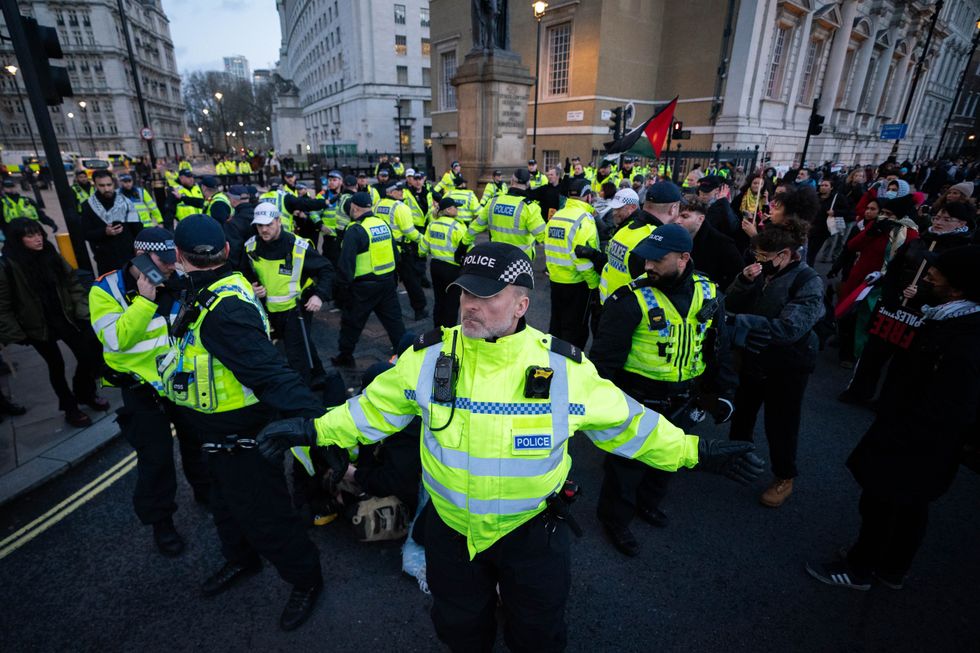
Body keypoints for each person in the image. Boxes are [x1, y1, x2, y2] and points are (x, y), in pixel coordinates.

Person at [255, 241, 762, 652]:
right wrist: (313, 430)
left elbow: (631, 425)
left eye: (487, 296)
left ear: (522, 306)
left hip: (532, 533)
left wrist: (696, 453)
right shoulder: (427, 359)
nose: (470, 306)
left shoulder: (564, 369)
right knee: (459, 629)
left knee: (538, 633)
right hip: (452, 533)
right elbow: (371, 412)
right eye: (464, 294)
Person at [159, 215, 324, 631]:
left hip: (244, 434)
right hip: (211, 429)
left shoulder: (226, 309)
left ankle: (306, 579)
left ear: (178, 255)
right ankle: (242, 559)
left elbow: (271, 374)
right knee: (224, 506)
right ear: (228, 251)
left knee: (268, 516)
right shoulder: (209, 286)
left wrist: (323, 425)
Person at [806, 245, 980, 591]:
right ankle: (891, 567)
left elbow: (949, 402)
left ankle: (859, 567)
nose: (928, 276)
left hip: (916, 439)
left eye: (937, 273)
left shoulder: (963, 340)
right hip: (916, 434)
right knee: (908, 505)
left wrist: (905, 431)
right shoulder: (949, 319)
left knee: (883, 501)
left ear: (958, 289)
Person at [591, 226, 737, 556]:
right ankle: (615, 520)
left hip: (685, 398)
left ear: (684, 258)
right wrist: (601, 409)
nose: (648, 266)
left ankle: (649, 503)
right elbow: (602, 363)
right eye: (646, 259)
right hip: (638, 399)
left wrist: (724, 392)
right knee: (626, 466)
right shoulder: (630, 300)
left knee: (668, 460)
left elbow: (719, 346)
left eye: (658, 260)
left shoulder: (709, 293)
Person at [88, 227, 209, 557]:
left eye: (174, 258)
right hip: (140, 387)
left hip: (179, 379)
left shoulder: (177, 278)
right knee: (156, 458)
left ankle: (204, 491)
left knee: (195, 442)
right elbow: (115, 340)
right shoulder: (106, 289)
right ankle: (161, 522)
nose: (171, 265)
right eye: (164, 259)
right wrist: (144, 301)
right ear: (140, 255)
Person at [726, 220, 825, 507]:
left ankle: (784, 476)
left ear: (784, 255)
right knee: (743, 412)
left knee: (781, 423)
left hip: (788, 365)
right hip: (753, 356)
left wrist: (740, 322)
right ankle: (736, 455)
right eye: (755, 255)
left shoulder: (808, 282)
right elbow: (731, 302)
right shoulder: (760, 272)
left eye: (764, 256)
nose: (758, 261)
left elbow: (790, 329)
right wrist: (743, 282)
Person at [840, 201, 972, 404]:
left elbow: (955, 288)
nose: (939, 222)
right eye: (937, 217)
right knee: (873, 353)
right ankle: (858, 391)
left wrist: (922, 294)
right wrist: (892, 295)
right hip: (894, 308)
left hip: (922, 315)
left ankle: (887, 402)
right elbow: (894, 268)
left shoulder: (962, 250)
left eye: (947, 219)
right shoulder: (918, 241)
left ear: (961, 223)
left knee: (904, 364)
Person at [0, 218, 108, 427]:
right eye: (30, 236)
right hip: (36, 325)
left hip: (63, 316)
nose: (38, 239)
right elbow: (3, 305)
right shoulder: (8, 265)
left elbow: (72, 282)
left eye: (39, 233)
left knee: (88, 354)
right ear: (18, 239)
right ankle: (70, 408)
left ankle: (85, 393)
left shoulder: (50, 253)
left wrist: (81, 309)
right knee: (56, 365)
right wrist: (16, 333)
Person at [243, 202, 333, 388]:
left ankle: (303, 395)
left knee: (295, 355)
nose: (264, 229)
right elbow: (244, 272)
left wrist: (319, 295)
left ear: (278, 221)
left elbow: (327, 269)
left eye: (268, 224)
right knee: (301, 344)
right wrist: (251, 286)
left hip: (296, 309)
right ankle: (319, 375)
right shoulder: (251, 246)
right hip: (268, 310)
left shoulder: (298, 247)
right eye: (260, 225)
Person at [331, 192, 406, 367]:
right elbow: (395, 254)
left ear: (355, 208)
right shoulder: (382, 223)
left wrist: (341, 290)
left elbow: (346, 264)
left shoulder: (355, 230)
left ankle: (345, 356)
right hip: (386, 283)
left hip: (363, 288)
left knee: (352, 323)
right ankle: (404, 354)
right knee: (394, 322)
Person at [597, 181, 679, 304]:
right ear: (673, 209)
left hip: (610, 302)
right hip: (632, 309)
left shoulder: (625, 229)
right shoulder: (655, 239)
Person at [545, 178, 601, 349]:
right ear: (588, 197)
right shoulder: (585, 219)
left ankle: (553, 361)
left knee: (556, 326)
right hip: (577, 284)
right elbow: (582, 259)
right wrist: (594, 284)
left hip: (556, 280)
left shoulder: (557, 216)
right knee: (575, 331)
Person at [375, 180, 428, 321]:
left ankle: (388, 310)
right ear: (391, 192)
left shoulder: (378, 204)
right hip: (402, 251)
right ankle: (419, 310)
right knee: (411, 281)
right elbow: (409, 232)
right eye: (399, 190)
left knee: (389, 283)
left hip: (384, 249)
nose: (402, 192)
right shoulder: (400, 207)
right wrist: (423, 240)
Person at [468, 168, 546, 258]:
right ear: (528, 184)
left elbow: (474, 227)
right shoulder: (531, 207)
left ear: (512, 181)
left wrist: (463, 245)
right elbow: (543, 236)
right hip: (520, 260)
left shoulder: (493, 202)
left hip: (496, 257)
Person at [673, 198, 744, 292]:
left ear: (700, 219)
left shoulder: (722, 244)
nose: (677, 221)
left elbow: (737, 276)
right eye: (676, 216)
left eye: (684, 216)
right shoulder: (673, 237)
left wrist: (716, 290)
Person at [81, 170, 144, 275]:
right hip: (105, 260)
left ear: (113, 184)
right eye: (101, 185)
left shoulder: (126, 203)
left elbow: (137, 229)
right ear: (95, 185)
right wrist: (105, 232)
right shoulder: (88, 206)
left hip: (128, 258)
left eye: (109, 185)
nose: (106, 189)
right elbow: (86, 234)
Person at [420, 197, 469, 329]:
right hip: (452, 269)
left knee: (439, 300)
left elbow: (422, 249)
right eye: (455, 207)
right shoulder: (458, 226)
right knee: (452, 303)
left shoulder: (432, 225)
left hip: (435, 266)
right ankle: (448, 332)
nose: (457, 209)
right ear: (448, 210)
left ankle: (437, 330)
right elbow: (468, 248)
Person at [223, 185, 256, 271]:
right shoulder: (258, 216)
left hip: (244, 271)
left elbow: (233, 254)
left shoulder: (233, 223)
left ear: (233, 201)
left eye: (229, 198)